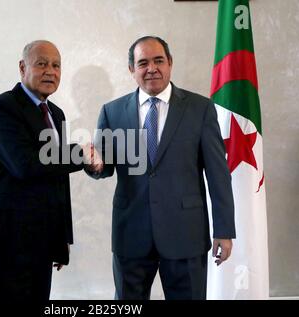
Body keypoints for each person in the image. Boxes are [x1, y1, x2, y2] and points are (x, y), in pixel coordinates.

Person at [88, 36, 236, 300]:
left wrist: (224, 230)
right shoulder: (112, 112)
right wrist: (93, 164)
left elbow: (218, 174)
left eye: (158, 60)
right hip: (130, 234)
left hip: (185, 235)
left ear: (170, 63)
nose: (151, 68)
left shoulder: (200, 109)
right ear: (132, 70)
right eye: (143, 62)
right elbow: (104, 165)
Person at [0, 40, 101, 300]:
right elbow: (26, 165)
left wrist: (61, 236)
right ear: (23, 68)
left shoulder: (56, 113)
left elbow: (58, 176)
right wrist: (82, 153)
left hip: (42, 245)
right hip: (5, 244)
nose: (50, 71)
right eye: (42, 64)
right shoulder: (4, 107)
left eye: (56, 65)